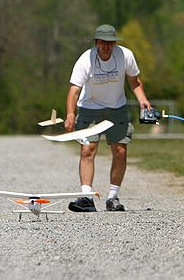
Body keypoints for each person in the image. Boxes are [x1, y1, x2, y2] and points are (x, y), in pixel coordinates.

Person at [65, 24, 151, 212]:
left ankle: (113, 197)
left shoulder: (125, 55)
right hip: (89, 108)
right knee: (88, 150)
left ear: (114, 43)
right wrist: (71, 114)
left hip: (116, 108)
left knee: (120, 151)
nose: (106, 46)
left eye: (110, 43)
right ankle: (86, 197)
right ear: (97, 42)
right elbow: (74, 90)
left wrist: (143, 99)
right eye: (103, 42)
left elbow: (134, 81)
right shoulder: (85, 60)